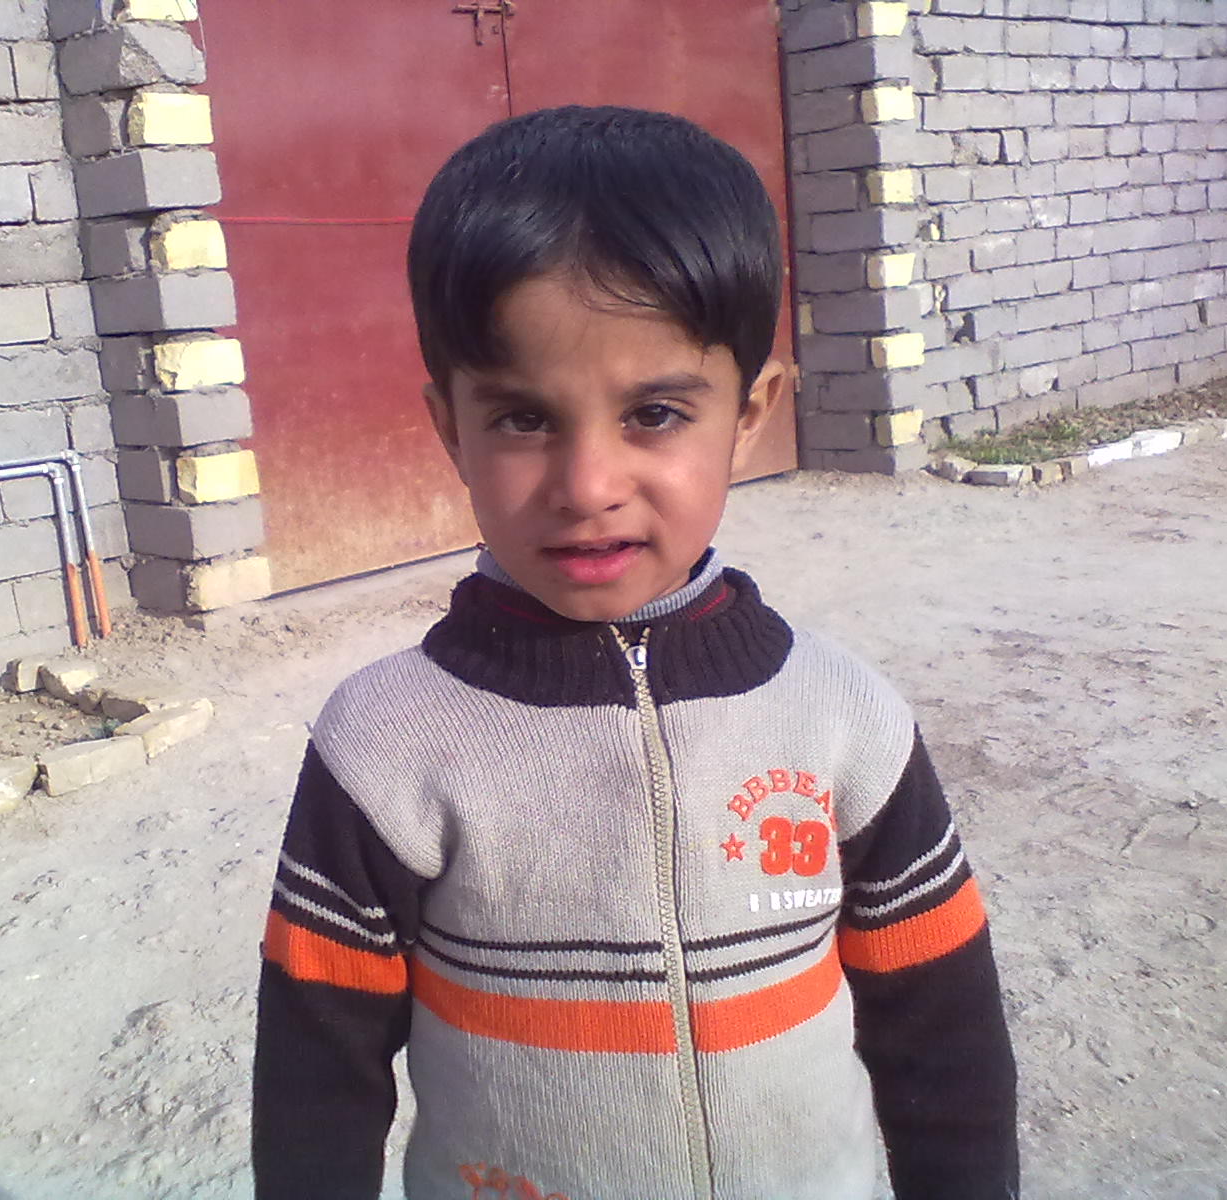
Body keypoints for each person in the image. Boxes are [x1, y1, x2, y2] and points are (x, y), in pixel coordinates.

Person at [251, 105, 1018, 1200]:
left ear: (751, 411)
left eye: (654, 412)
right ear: (448, 428)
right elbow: (316, 1075)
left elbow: (942, 1031)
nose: (587, 485)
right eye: (522, 419)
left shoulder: (846, 717)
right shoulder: (384, 746)